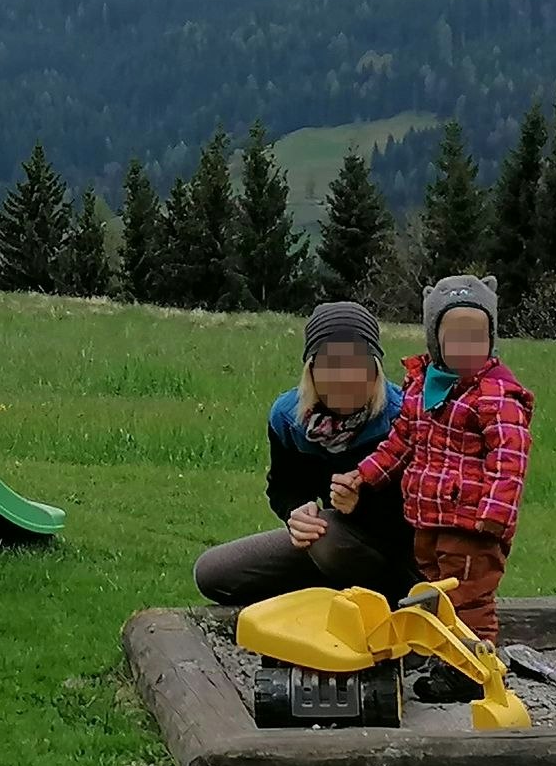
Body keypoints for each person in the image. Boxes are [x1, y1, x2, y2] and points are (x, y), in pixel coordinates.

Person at [335, 274, 529, 648]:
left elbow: (510, 459)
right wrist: (363, 475)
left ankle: (472, 665)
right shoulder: (422, 386)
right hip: (428, 516)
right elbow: (401, 443)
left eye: (477, 338)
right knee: (431, 587)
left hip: (472, 523)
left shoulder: (496, 395)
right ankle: (440, 649)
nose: (467, 348)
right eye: (456, 338)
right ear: (435, 340)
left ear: (491, 340)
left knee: (469, 597)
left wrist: (493, 516)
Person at [191, 301, 410, 607]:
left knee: (327, 538)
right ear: (312, 369)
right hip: (330, 541)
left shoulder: (406, 417)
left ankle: (378, 602)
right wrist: (296, 511)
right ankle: (331, 595)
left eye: (357, 363)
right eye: (331, 364)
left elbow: (422, 518)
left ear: (375, 369)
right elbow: (283, 486)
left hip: (401, 558)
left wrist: (363, 503)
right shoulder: (288, 417)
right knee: (213, 573)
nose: (345, 377)